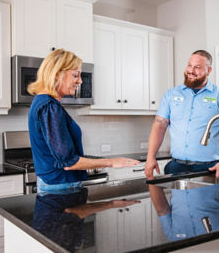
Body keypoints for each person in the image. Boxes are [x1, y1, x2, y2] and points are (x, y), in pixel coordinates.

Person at [28, 49, 140, 193]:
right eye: (75, 75)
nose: (80, 81)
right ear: (57, 74)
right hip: (61, 186)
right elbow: (69, 162)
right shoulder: (49, 107)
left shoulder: (43, 103)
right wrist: (112, 162)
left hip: (56, 183)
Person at [145, 50, 219, 179]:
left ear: (209, 70)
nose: (191, 70)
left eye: (197, 67)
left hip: (208, 168)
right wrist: (150, 157)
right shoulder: (171, 94)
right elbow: (159, 127)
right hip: (176, 166)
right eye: (189, 65)